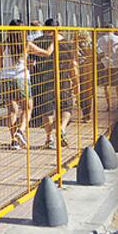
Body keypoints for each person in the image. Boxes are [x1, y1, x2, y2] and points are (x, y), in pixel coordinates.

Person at [0, 20, 52, 149]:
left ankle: (14, 140)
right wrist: (54, 41)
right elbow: (46, 53)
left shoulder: (4, 45)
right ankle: (21, 130)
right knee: (28, 107)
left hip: (5, 78)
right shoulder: (26, 44)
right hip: (21, 78)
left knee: (12, 110)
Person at [40, 20, 80, 150]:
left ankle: (49, 138)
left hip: (44, 79)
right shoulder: (67, 44)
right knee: (67, 106)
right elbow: (72, 65)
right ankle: (62, 128)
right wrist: (76, 83)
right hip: (63, 78)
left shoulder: (40, 42)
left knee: (47, 109)